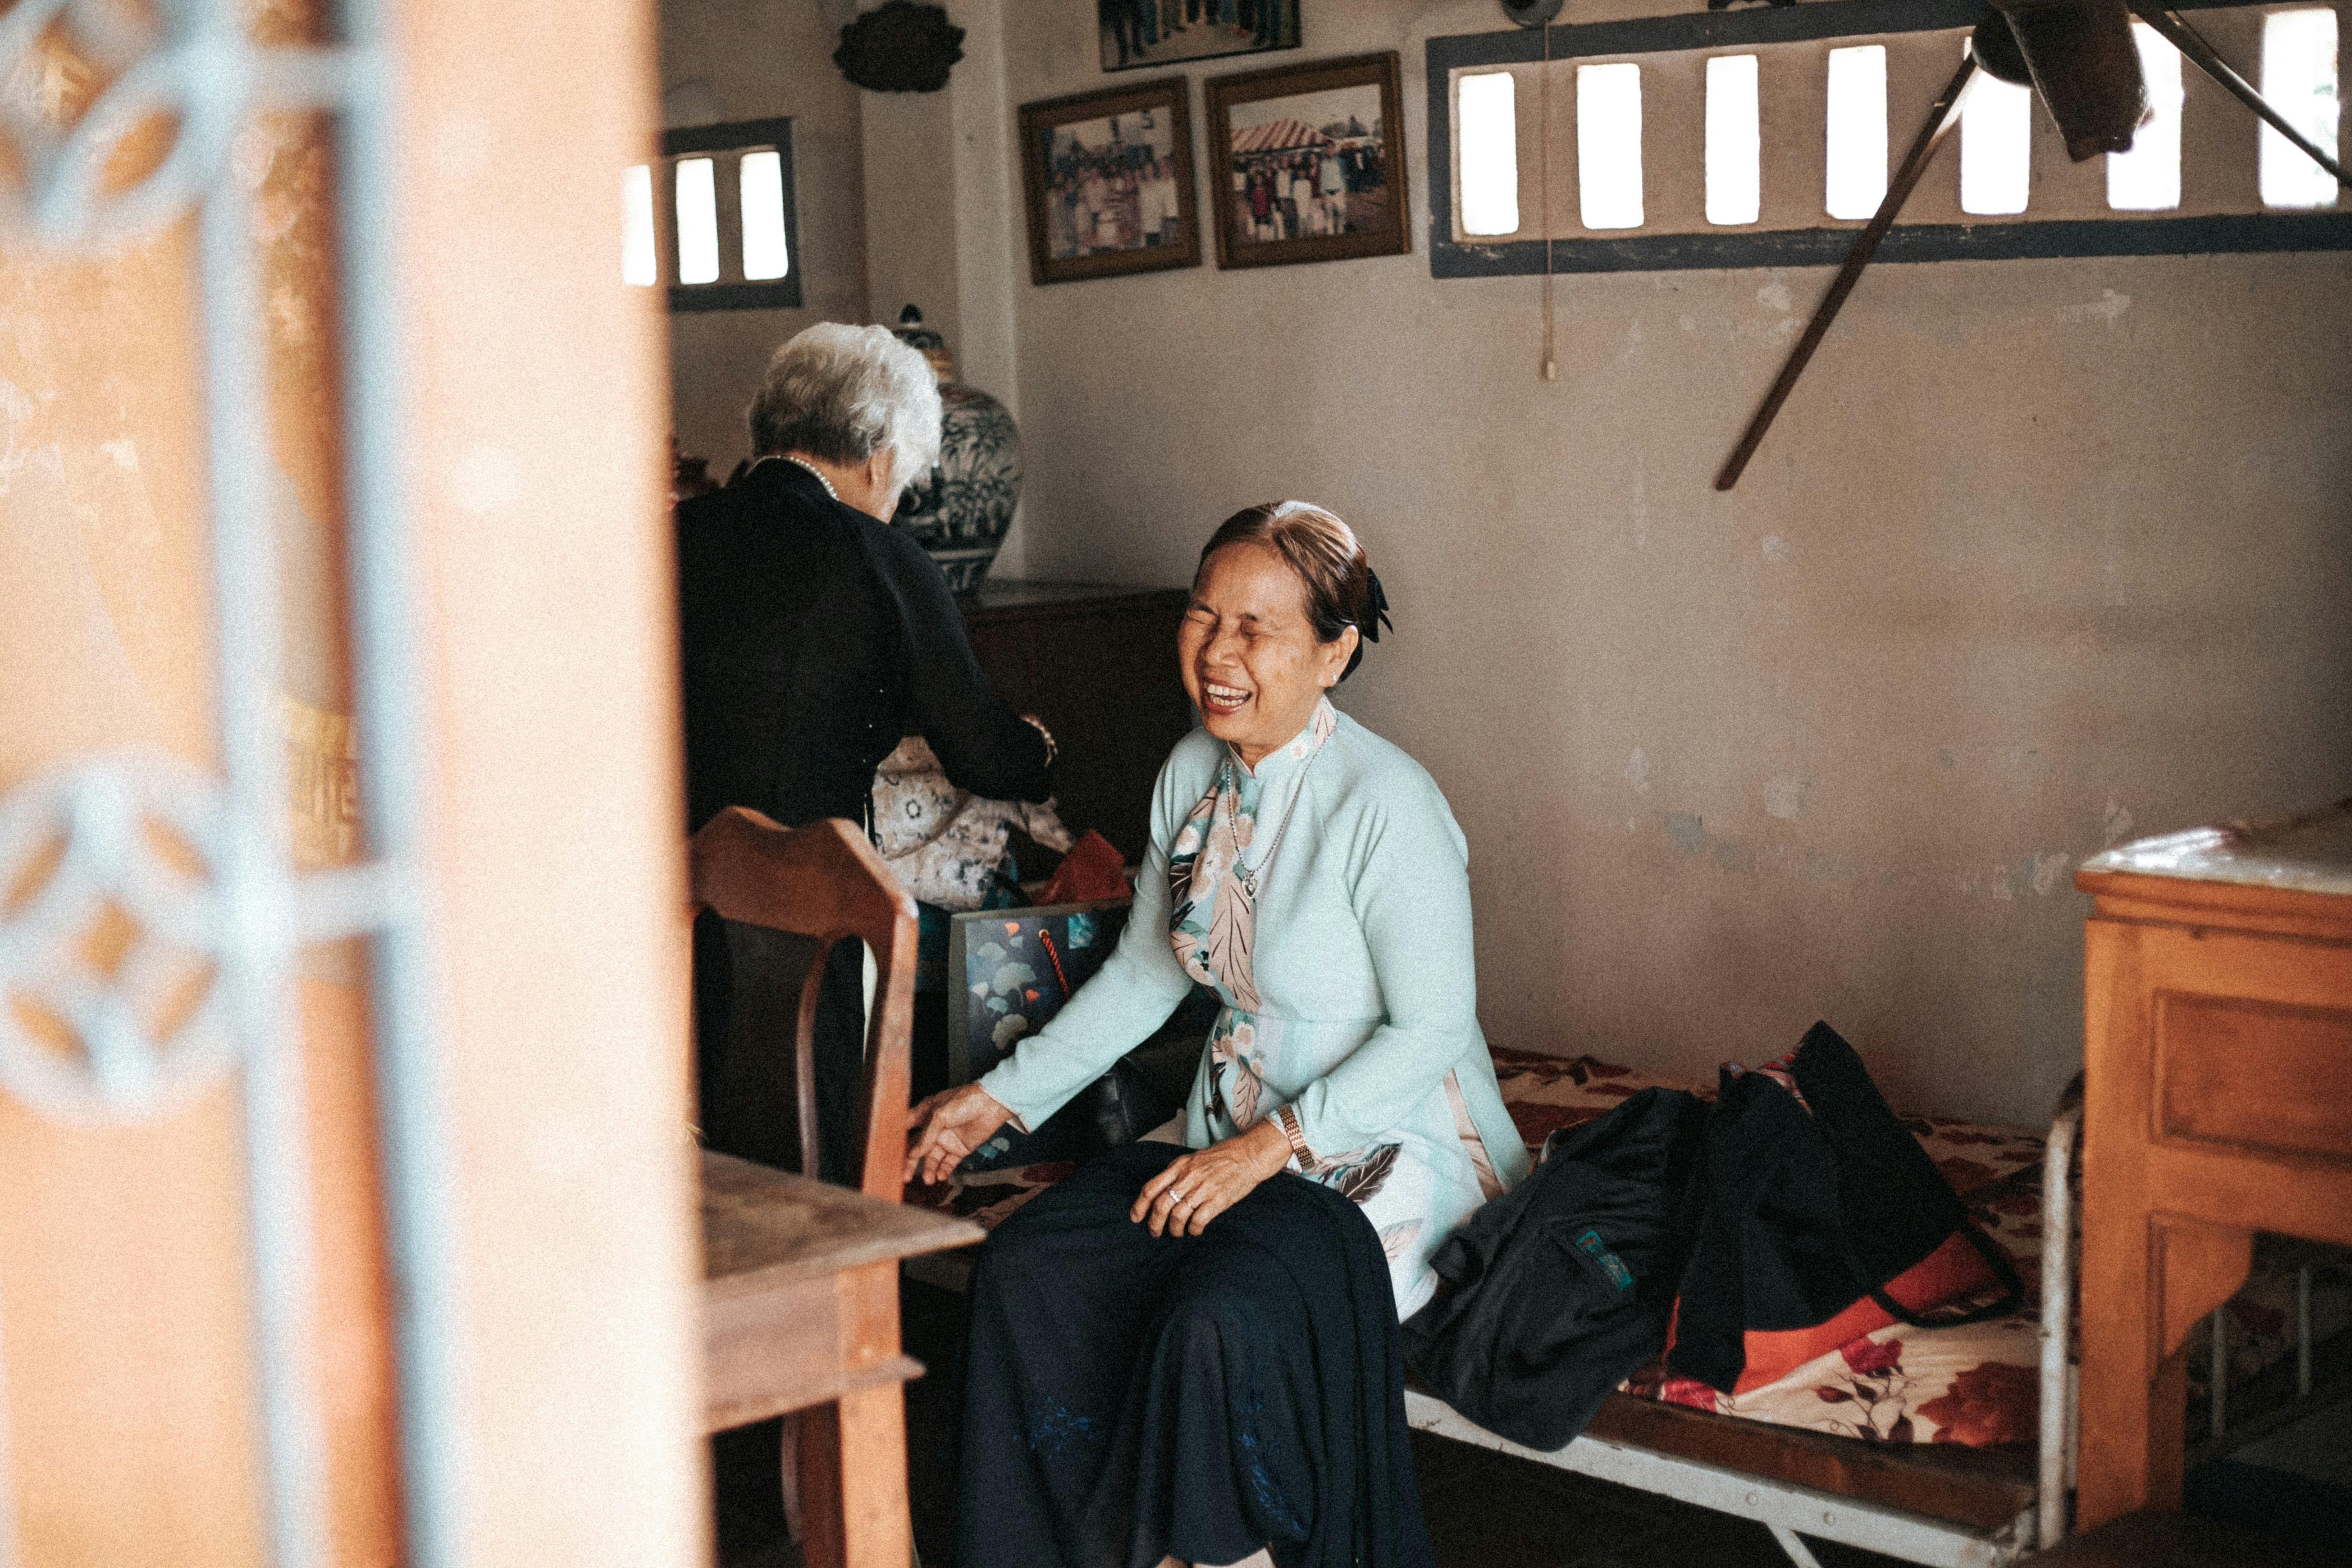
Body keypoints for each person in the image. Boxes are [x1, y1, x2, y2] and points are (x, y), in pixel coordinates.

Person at [908, 502, 1528, 1568]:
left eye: (1257, 627)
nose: (1218, 652)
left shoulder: (1388, 804)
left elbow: (1432, 1029)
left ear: (1335, 654)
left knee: (1214, 1324)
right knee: (1028, 1270)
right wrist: (1001, 1097)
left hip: (1382, 1151)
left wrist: (1269, 1147)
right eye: (1203, 617)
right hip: (1223, 1134)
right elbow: (1152, 969)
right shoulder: (1192, 771)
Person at [676, 321, 1052, 1183]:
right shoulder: (879, 556)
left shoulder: (669, 536)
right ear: (879, 458)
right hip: (806, 921)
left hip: (662, 910)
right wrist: (1040, 746)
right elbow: (985, 755)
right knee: (812, 1160)